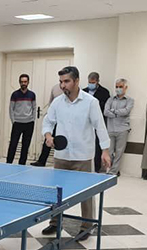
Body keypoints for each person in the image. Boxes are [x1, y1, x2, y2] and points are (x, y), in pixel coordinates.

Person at [40, 66, 111, 241]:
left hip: (83, 156)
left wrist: (105, 151)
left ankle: (87, 226)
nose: (62, 85)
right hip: (61, 156)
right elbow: (48, 122)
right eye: (61, 82)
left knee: (86, 194)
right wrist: (48, 136)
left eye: (66, 81)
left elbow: (100, 127)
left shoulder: (91, 102)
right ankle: (55, 222)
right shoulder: (57, 102)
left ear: (77, 81)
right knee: (56, 192)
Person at [104, 79, 134, 176]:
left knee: (119, 152)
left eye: (120, 87)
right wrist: (118, 113)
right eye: (116, 87)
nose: (118, 89)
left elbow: (126, 111)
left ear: (125, 87)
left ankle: (113, 172)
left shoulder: (130, 100)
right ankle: (113, 168)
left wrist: (113, 111)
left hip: (123, 129)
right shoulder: (110, 99)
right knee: (109, 151)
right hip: (110, 129)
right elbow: (106, 112)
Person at [83, 72, 111, 173]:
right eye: (89, 82)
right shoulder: (83, 91)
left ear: (97, 81)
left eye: (93, 82)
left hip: (97, 121)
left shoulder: (104, 92)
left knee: (97, 147)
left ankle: (96, 167)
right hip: (85, 123)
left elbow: (105, 108)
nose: (91, 84)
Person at [31, 83, 63, 167]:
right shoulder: (55, 88)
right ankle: (41, 161)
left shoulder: (76, 90)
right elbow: (50, 103)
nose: (63, 84)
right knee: (48, 140)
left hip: (65, 122)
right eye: (61, 81)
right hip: (54, 120)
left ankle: (61, 162)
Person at [7, 74, 36, 165]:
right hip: (17, 123)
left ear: (28, 82)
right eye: (22, 82)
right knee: (13, 144)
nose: (23, 83)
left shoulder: (32, 95)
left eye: (25, 82)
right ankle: (8, 163)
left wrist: (33, 119)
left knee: (25, 146)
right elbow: (11, 108)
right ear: (19, 82)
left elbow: (34, 108)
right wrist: (13, 121)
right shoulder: (15, 94)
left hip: (29, 123)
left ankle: (22, 165)